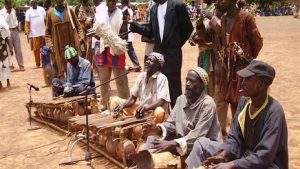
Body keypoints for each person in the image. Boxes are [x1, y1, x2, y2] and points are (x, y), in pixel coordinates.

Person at [187, 60, 288, 169]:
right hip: (243, 155)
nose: (242, 82)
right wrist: (224, 154)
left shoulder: (274, 112)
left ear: (260, 85)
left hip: (265, 164)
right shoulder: (244, 102)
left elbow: (264, 156)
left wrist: (232, 164)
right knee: (201, 145)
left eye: (247, 79)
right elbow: (234, 138)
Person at [129, 0, 193, 108]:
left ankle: (177, 119)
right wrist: (134, 25)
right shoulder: (154, 9)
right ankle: (160, 118)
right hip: (157, 57)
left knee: (174, 90)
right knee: (157, 87)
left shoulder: (178, 6)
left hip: (173, 56)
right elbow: (150, 32)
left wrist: (176, 44)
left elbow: (188, 29)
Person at [148, 67, 222, 156]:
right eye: (187, 80)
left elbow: (198, 135)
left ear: (202, 85)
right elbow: (171, 124)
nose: (187, 84)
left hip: (204, 146)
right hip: (183, 142)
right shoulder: (181, 99)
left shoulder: (208, 104)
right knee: (151, 140)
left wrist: (171, 143)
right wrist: (158, 129)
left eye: (192, 81)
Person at [212, 0, 263, 118]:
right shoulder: (224, 19)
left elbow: (257, 42)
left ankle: (244, 132)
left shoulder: (246, 18)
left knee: (243, 102)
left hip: (242, 69)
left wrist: (246, 60)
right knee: (231, 100)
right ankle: (236, 132)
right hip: (228, 71)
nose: (220, 2)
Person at [110, 52, 170, 120]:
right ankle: (121, 121)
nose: (147, 62)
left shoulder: (162, 78)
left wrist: (146, 108)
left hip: (152, 112)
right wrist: (122, 106)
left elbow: (161, 101)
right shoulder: (141, 76)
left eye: (151, 61)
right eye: (147, 59)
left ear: (158, 66)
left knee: (159, 112)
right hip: (140, 111)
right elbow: (133, 98)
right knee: (115, 101)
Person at [94, 0, 130, 110]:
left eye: (113, 1)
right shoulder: (100, 14)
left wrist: (114, 39)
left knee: (120, 78)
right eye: (109, 0)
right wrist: (100, 34)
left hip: (116, 49)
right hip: (103, 49)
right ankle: (104, 104)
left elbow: (125, 35)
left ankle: (125, 104)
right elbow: (96, 32)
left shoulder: (122, 15)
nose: (111, 3)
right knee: (104, 79)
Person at [45, 0, 84, 78]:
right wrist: (50, 45)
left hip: (72, 45)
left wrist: (80, 38)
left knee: (74, 68)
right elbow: (47, 32)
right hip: (58, 46)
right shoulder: (50, 13)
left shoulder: (70, 11)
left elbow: (78, 26)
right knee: (60, 69)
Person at [0, 0, 25, 71]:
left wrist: (16, 25)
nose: (10, 5)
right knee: (9, 50)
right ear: (5, 4)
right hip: (8, 32)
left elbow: (15, 19)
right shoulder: (2, 12)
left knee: (18, 49)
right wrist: (8, 13)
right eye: (9, 4)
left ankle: (21, 65)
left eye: (11, 4)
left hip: (15, 31)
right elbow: (3, 22)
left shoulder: (13, 10)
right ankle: (11, 66)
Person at [24, 0, 47, 68]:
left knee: (44, 49)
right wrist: (27, 33)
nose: (33, 4)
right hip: (34, 34)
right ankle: (37, 63)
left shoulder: (42, 9)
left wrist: (48, 31)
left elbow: (46, 20)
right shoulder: (28, 11)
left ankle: (44, 62)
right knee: (36, 50)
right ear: (30, 4)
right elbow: (27, 23)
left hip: (43, 33)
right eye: (32, 3)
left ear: (36, 3)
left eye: (35, 2)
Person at [121, 0, 141, 72]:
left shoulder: (125, 10)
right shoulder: (129, 10)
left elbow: (126, 22)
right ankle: (136, 65)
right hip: (127, 33)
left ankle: (136, 65)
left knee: (129, 50)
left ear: (123, 3)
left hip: (126, 34)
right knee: (129, 50)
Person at [0, 15, 12, 90]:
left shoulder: (2, 28)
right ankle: (0, 83)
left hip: (3, 50)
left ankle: (8, 81)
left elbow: (7, 38)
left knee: (6, 65)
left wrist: (10, 48)